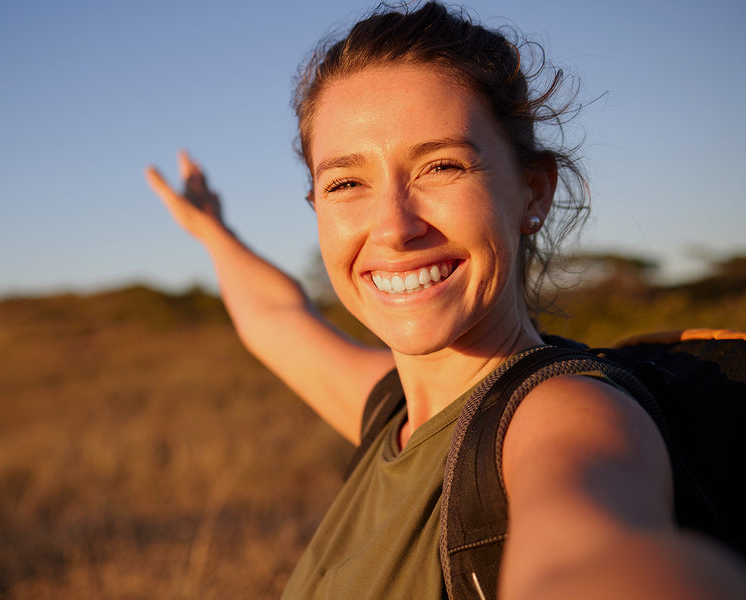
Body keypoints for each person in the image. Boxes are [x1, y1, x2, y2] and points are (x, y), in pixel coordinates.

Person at [146, 2, 746, 598]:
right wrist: (212, 233)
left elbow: (592, 555)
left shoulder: (564, 415)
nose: (393, 228)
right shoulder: (392, 410)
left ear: (532, 192)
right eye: (347, 182)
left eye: (441, 166)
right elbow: (276, 318)